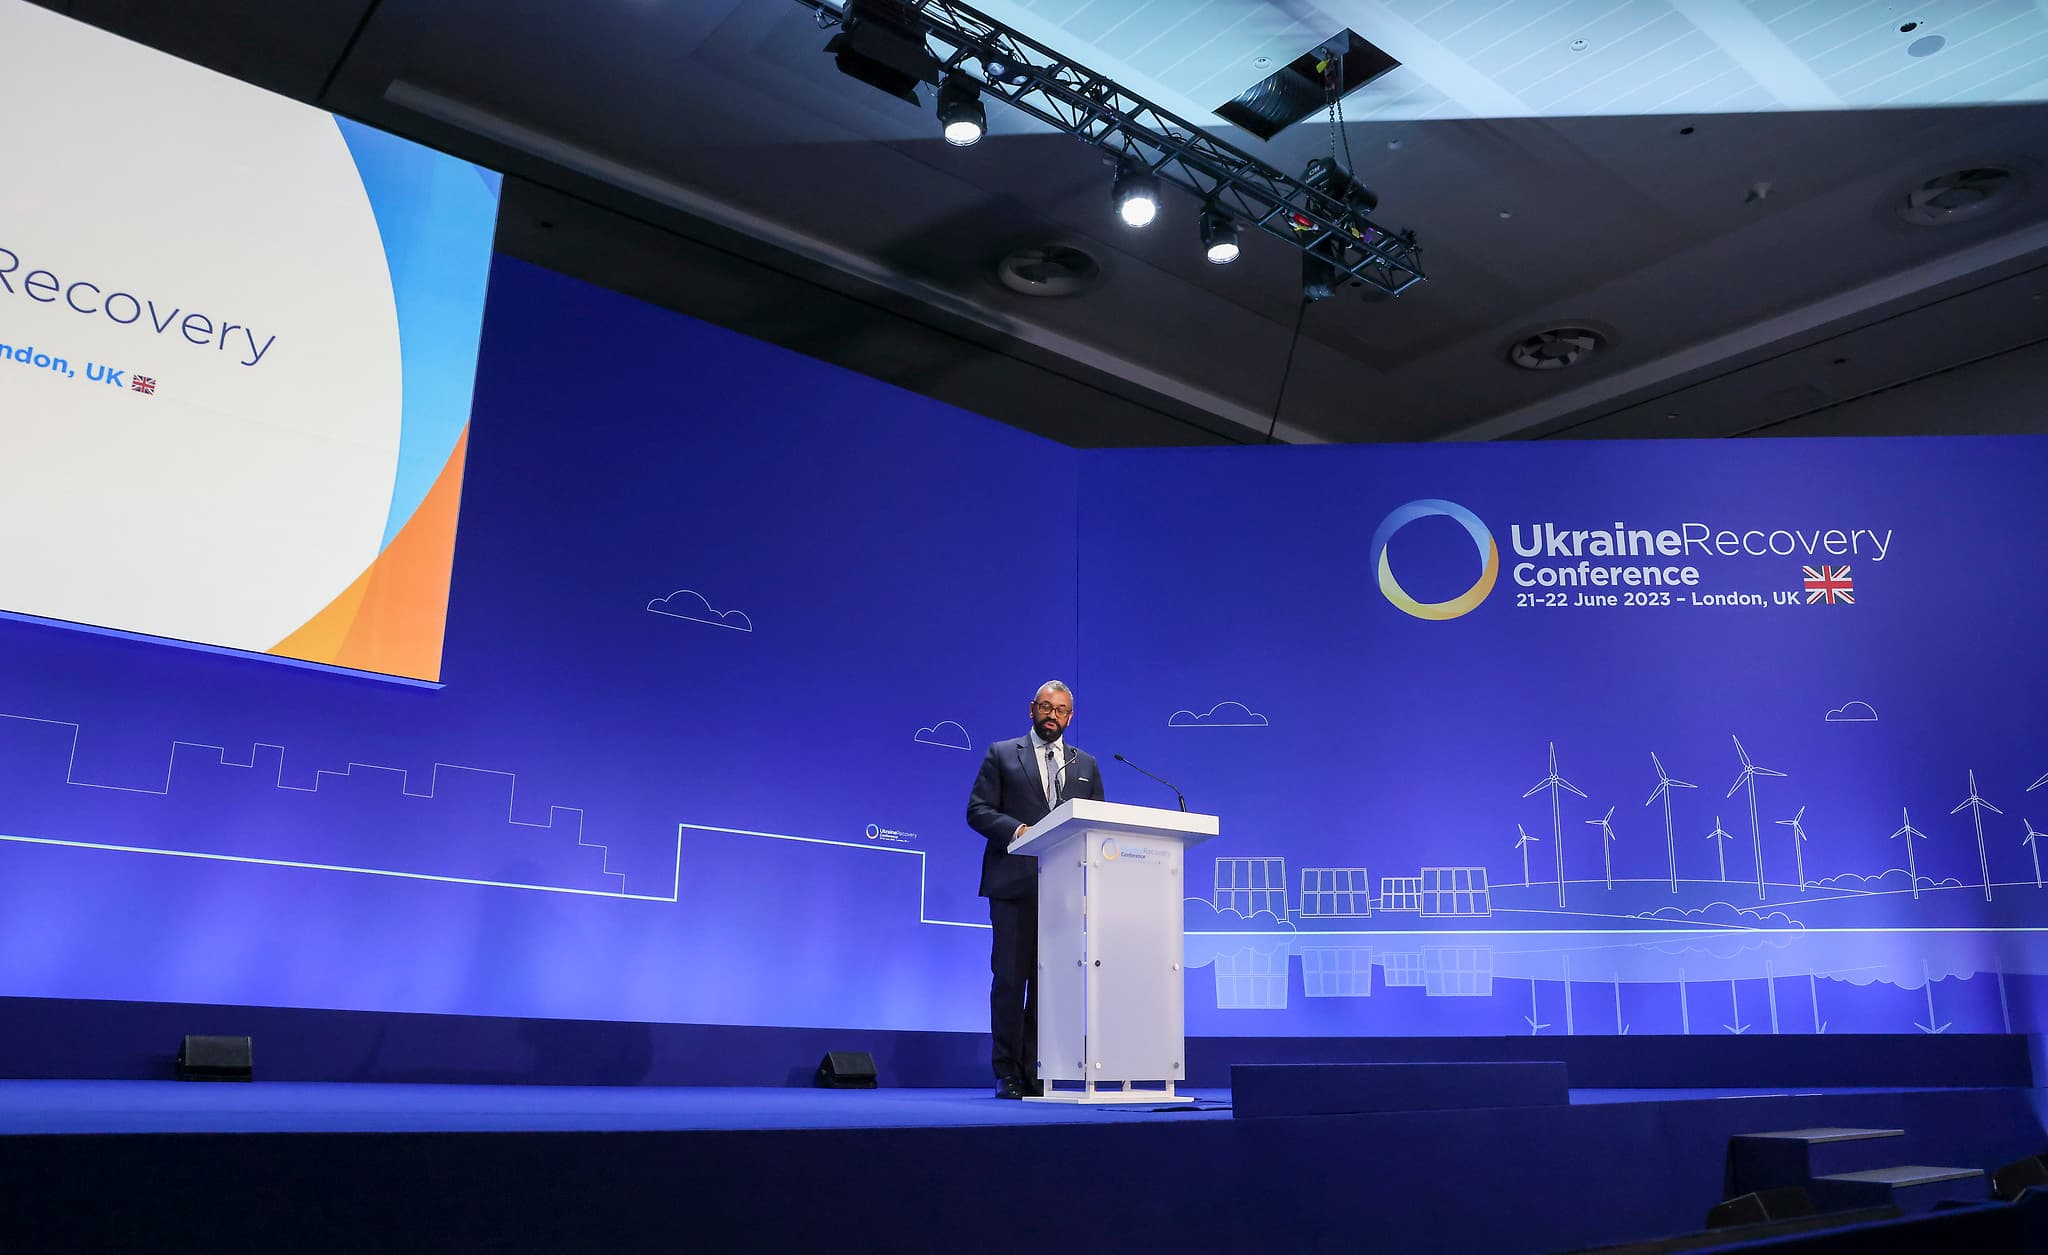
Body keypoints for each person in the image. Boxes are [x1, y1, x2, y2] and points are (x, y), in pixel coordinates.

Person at [965, 680, 1103, 1099]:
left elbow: (1096, 823)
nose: (1052, 716)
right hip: (1013, 887)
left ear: (1070, 717)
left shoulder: (1085, 764)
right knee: (1010, 981)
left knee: (1050, 985)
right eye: (1045, 707)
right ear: (1031, 709)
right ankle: (1006, 1071)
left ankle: (1037, 1069)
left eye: (1060, 710)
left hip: (1063, 891)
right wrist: (1019, 831)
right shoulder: (1003, 754)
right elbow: (977, 810)